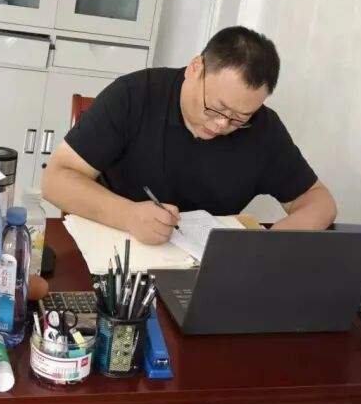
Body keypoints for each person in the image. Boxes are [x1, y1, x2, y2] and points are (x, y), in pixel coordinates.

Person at [41, 26, 336, 245]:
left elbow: (319, 201)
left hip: (200, 272)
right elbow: (56, 180)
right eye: (215, 108)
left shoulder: (263, 129)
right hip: (114, 251)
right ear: (195, 68)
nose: (221, 124)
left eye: (239, 118)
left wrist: (273, 244)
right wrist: (128, 215)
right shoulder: (134, 95)